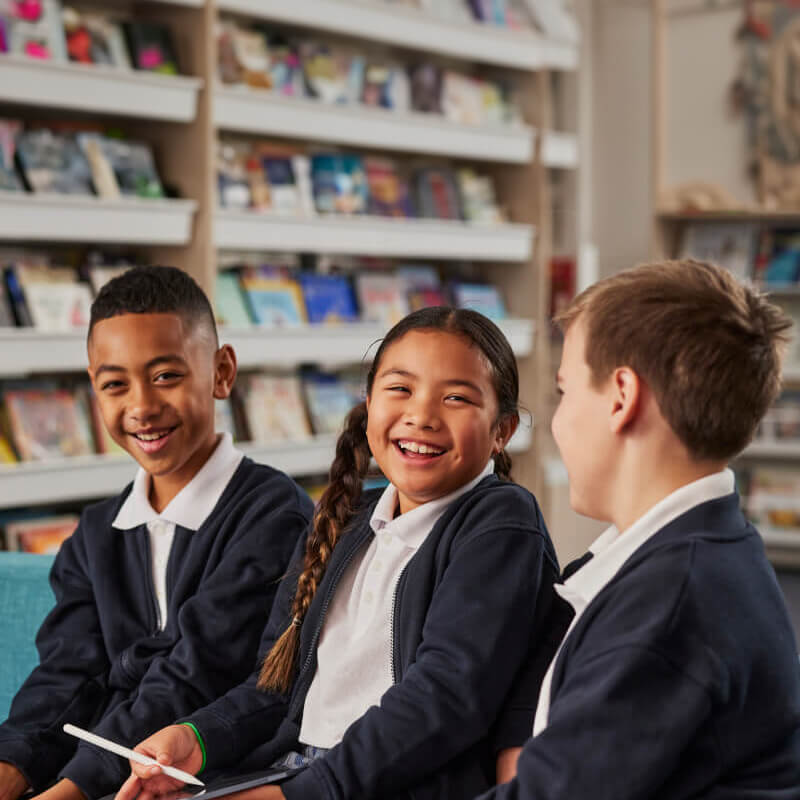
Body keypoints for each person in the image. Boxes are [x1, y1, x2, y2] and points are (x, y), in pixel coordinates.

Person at [116, 307, 560, 800]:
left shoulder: (501, 522)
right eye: (400, 389)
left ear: (503, 430)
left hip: (394, 784)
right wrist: (193, 740)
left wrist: (293, 795)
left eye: (456, 397)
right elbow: (274, 691)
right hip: (295, 771)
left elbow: (443, 698)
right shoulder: (343, 521)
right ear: (369, 404)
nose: (422, 415)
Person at [486, 259, 800, 799]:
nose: (557, 422)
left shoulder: (670, 606)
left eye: (564, 392)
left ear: (622, 397)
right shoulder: (700, 553)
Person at [0, 266, 314, 800]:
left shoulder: (273, 514)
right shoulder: (95, 534)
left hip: (216, 773)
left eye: (166, 376)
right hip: (105, 773)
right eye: (115, 384)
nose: (142, 406)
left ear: (221, 372)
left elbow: (198, 670)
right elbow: (64, 677)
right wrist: (12, 766)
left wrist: (71, 790)